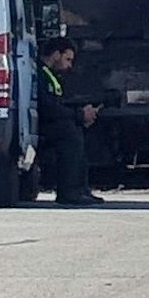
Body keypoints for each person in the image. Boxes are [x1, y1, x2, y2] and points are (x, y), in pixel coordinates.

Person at [37, 37, 104, 206]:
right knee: (69, 135)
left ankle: (81, 190)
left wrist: (80, 114)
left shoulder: (48, 74)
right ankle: (69, 192)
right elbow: (47, 106)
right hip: (42, 123)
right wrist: (79, 115)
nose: (69, 65)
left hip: (48, 121)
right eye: (67, 59)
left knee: (74, 130)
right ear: (55, 54)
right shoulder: (40, 73)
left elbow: (58, 104)